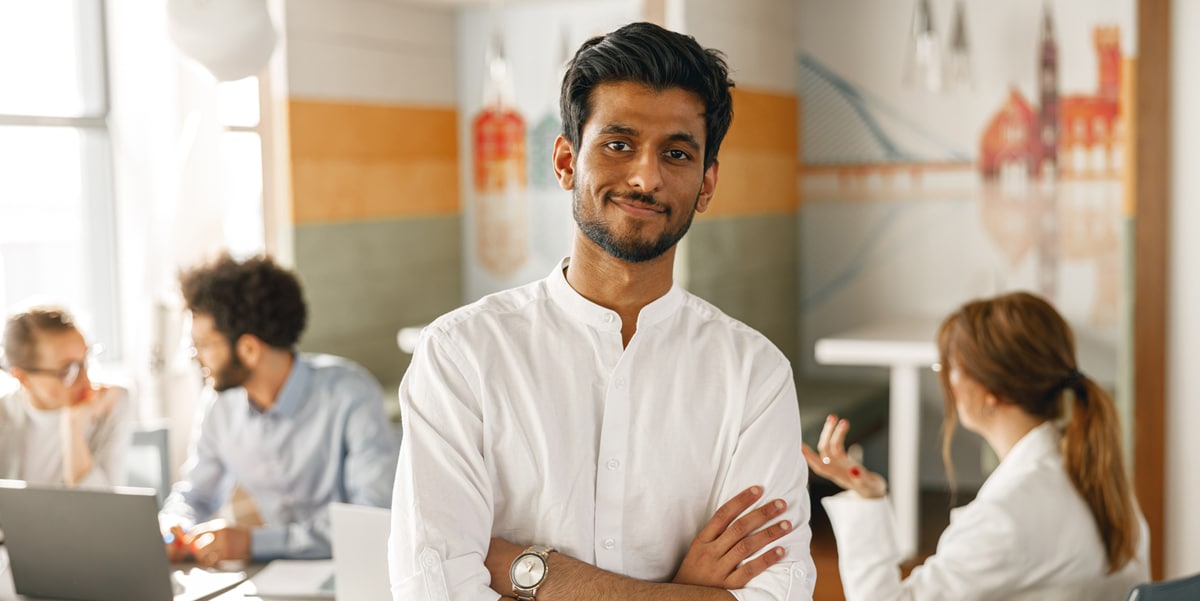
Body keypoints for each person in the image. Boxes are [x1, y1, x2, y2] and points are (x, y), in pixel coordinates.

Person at [390, 21, 816, 601]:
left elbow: (778, 592)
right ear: (565, 160)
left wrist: (530, 570)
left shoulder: (753, 374)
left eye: (677, 153)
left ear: (707, 182)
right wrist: (686, 592)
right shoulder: (461, 356)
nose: (646, 176)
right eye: (618, 145)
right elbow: (434, 588)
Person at [804, 291, 1150, 600]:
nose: (947, 383)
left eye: (950, 368)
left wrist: (868, 501)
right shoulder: (1099, 479)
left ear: (991, 394)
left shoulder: (1006, 517)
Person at [160, 253, 397, 566]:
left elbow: (372, 522)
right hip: (278, 575)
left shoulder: (350, 394)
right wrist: (172, 528)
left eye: (203, 345)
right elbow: (196, 495)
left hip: (358, 571)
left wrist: (253, 543)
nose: (195, 357)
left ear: (249, 349)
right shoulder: (218, 406)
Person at [0, 306, 130, 487]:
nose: (86, 380)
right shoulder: (3, 414)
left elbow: (104, 508)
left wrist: (73, 427)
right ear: (23, 378)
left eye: (86, 360)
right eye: (67, 370)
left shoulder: (110, 404)